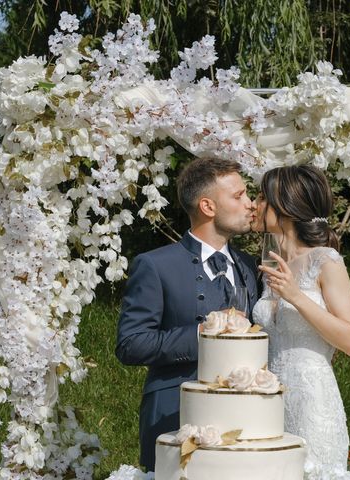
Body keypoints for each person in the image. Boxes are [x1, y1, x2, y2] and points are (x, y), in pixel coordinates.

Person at [116, 158, 259, 472]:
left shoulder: (249, 266)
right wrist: (203, 335)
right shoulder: (155, 265)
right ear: (208, 206)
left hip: (246, 419)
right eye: (239, 196)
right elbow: (130, 344)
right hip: (175, 416)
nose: (251, 204)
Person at [251, 164, 350, 479]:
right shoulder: (275, 265)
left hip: (313, 402)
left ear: (285, 206)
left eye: (262, 198)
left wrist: (295, 297)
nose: (254, 206)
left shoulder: (326, 260)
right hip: (269, 403)